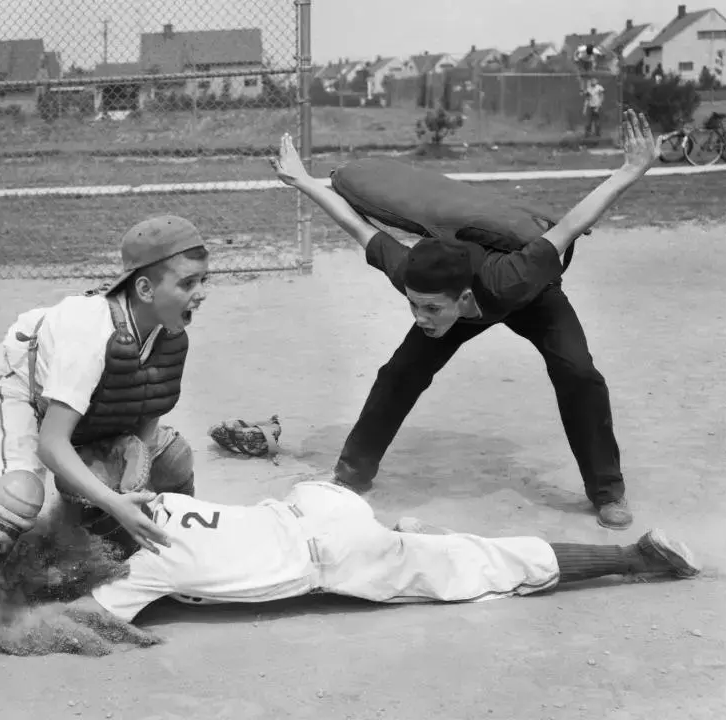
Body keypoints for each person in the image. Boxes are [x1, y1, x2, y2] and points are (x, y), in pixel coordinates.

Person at [269, 110, 664, 531]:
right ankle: (351, 475)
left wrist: (630, 170)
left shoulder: (512, 278)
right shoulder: (412, 274)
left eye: (430, 309)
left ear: (463, 298)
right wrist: (304, 180)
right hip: (461, 298)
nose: (421, 318)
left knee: (578, 372)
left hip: (532, 300)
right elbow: (354, 223)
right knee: (399, 373)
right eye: (413, 305)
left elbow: (571, 224)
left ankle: (607, 491)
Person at [0, 215, 210, 702]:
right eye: (189, 282)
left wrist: (128, 481)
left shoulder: (168, 334)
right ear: (147, 288)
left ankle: (116, 572)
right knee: (19, 496)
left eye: (204, 281)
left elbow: (143, 415)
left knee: (170, 458)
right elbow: (52, 444)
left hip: (78, 401)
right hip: (20, 389)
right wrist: (113, 501)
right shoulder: (87, 337)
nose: (201, 293)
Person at [80, 474, 699, 625]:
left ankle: (637, 559)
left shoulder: (146, 564)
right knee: (415, 545)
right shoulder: (152, 497)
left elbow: (85, 621)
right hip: (315, 500)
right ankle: (410, 537)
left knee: (485, 565)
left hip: (338, 552)